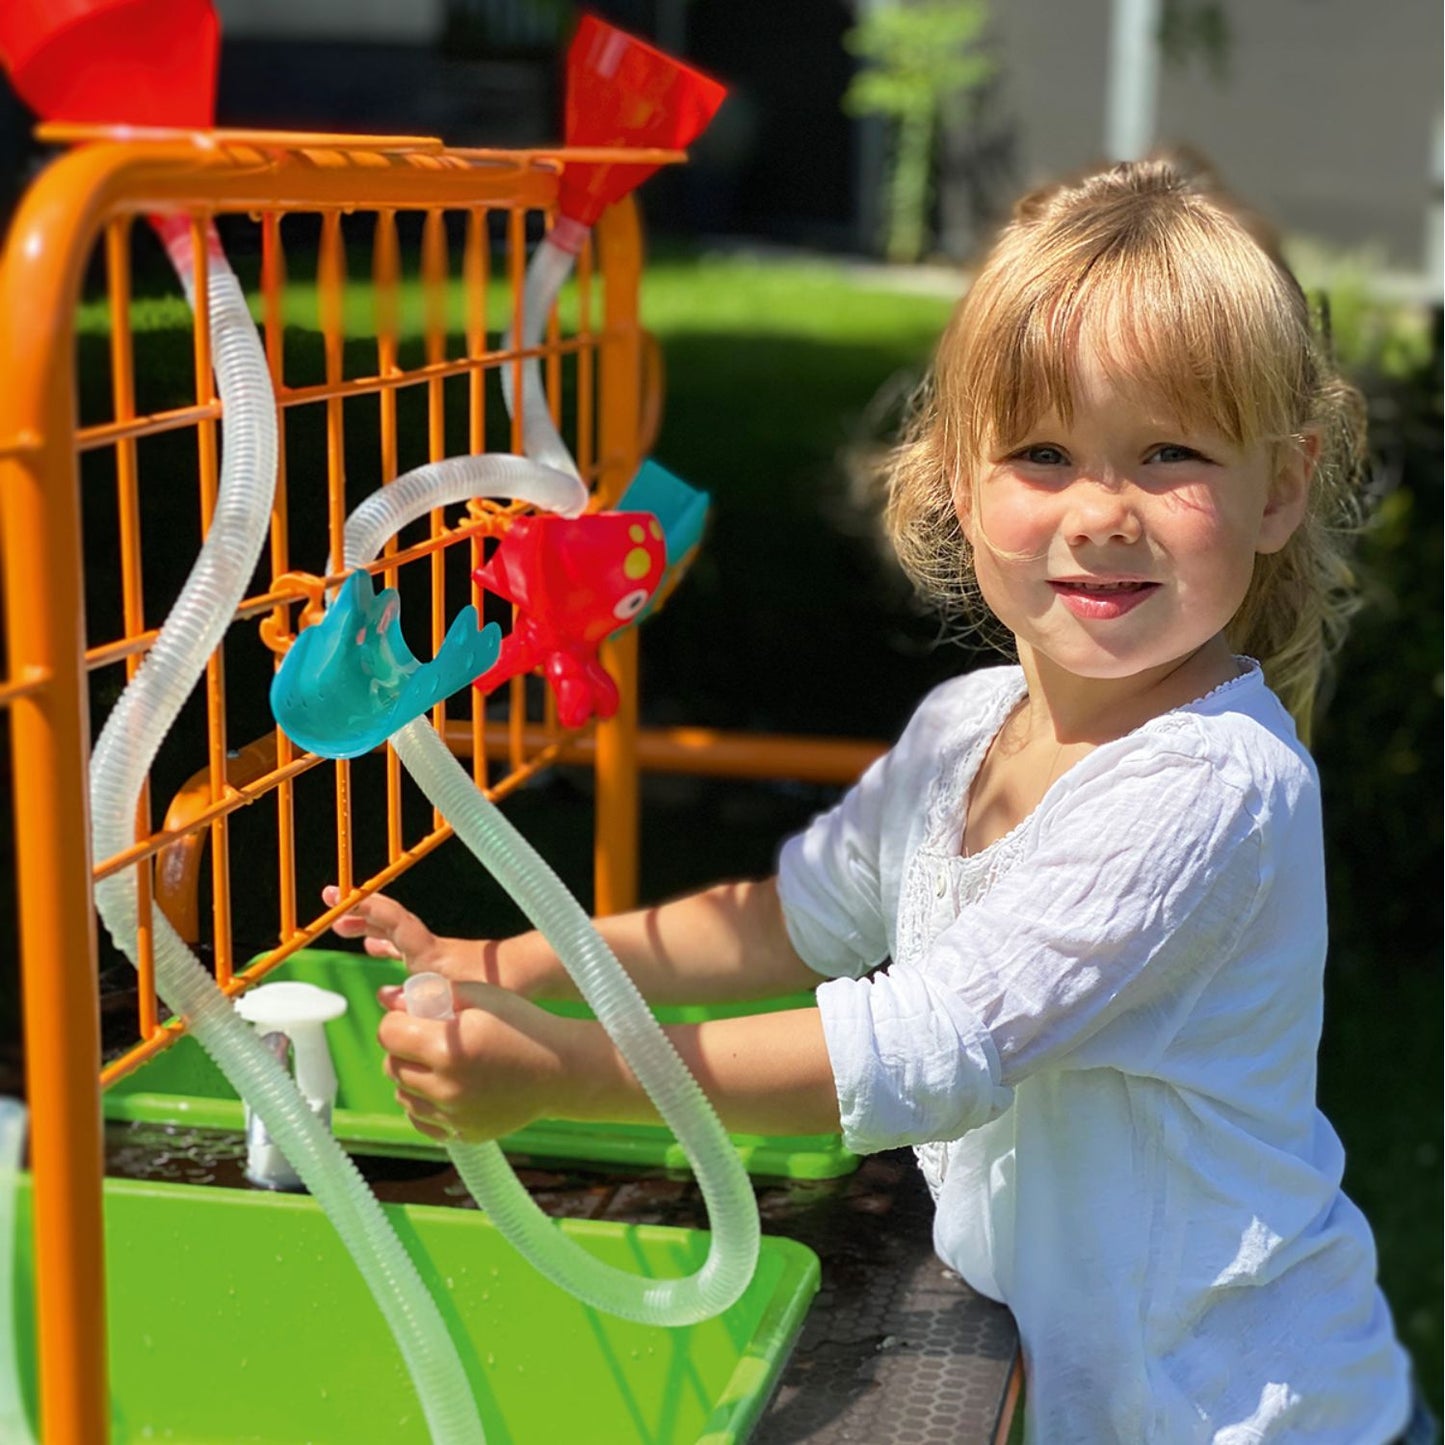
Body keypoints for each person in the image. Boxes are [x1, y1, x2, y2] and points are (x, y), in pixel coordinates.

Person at [326, 155, 1426, 1442]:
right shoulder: (966, 728)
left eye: (1168, 452)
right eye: (1042, 452)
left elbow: (923, 1046)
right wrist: (507, 962)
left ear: (1279, 485)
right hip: (1089, 1382)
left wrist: (567, 1071)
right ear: (962, 482)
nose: (1100, 511)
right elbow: (782, 918)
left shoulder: (1205, 786)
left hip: (1241, 1409)